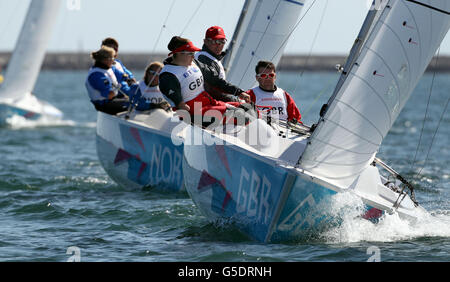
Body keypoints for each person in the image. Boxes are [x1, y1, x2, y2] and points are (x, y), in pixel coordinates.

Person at [158, 36, 251, 121]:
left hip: (209, 103)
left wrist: (239, 92)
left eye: (194, 53)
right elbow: (179, 103)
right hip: (195, 113)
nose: (193, 56)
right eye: (190, 53)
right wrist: (181, 106)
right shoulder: (168, 75)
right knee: (242, 117)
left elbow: (216, 81)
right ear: (178, 53)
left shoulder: (194, 63)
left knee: (249, 109)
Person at [195, 26, 238, 102]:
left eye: (222, 42)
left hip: (212, 104)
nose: (220, 45)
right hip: (201, 105)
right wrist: (233, 99)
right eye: (216, 41)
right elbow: (211, 87)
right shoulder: (202, 57)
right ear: (205, 41)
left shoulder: (213, 58)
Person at [85, 46, 131, 115]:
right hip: (104, 105)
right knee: (134, 102)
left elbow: (122, 75)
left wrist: (130, 80)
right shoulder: (97, 75)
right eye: (112, 58)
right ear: (104, 60)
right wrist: (117, 87)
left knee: (137, 97)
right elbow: (109, 95)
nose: (113, 60)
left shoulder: (109, 68)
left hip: (113, 99)